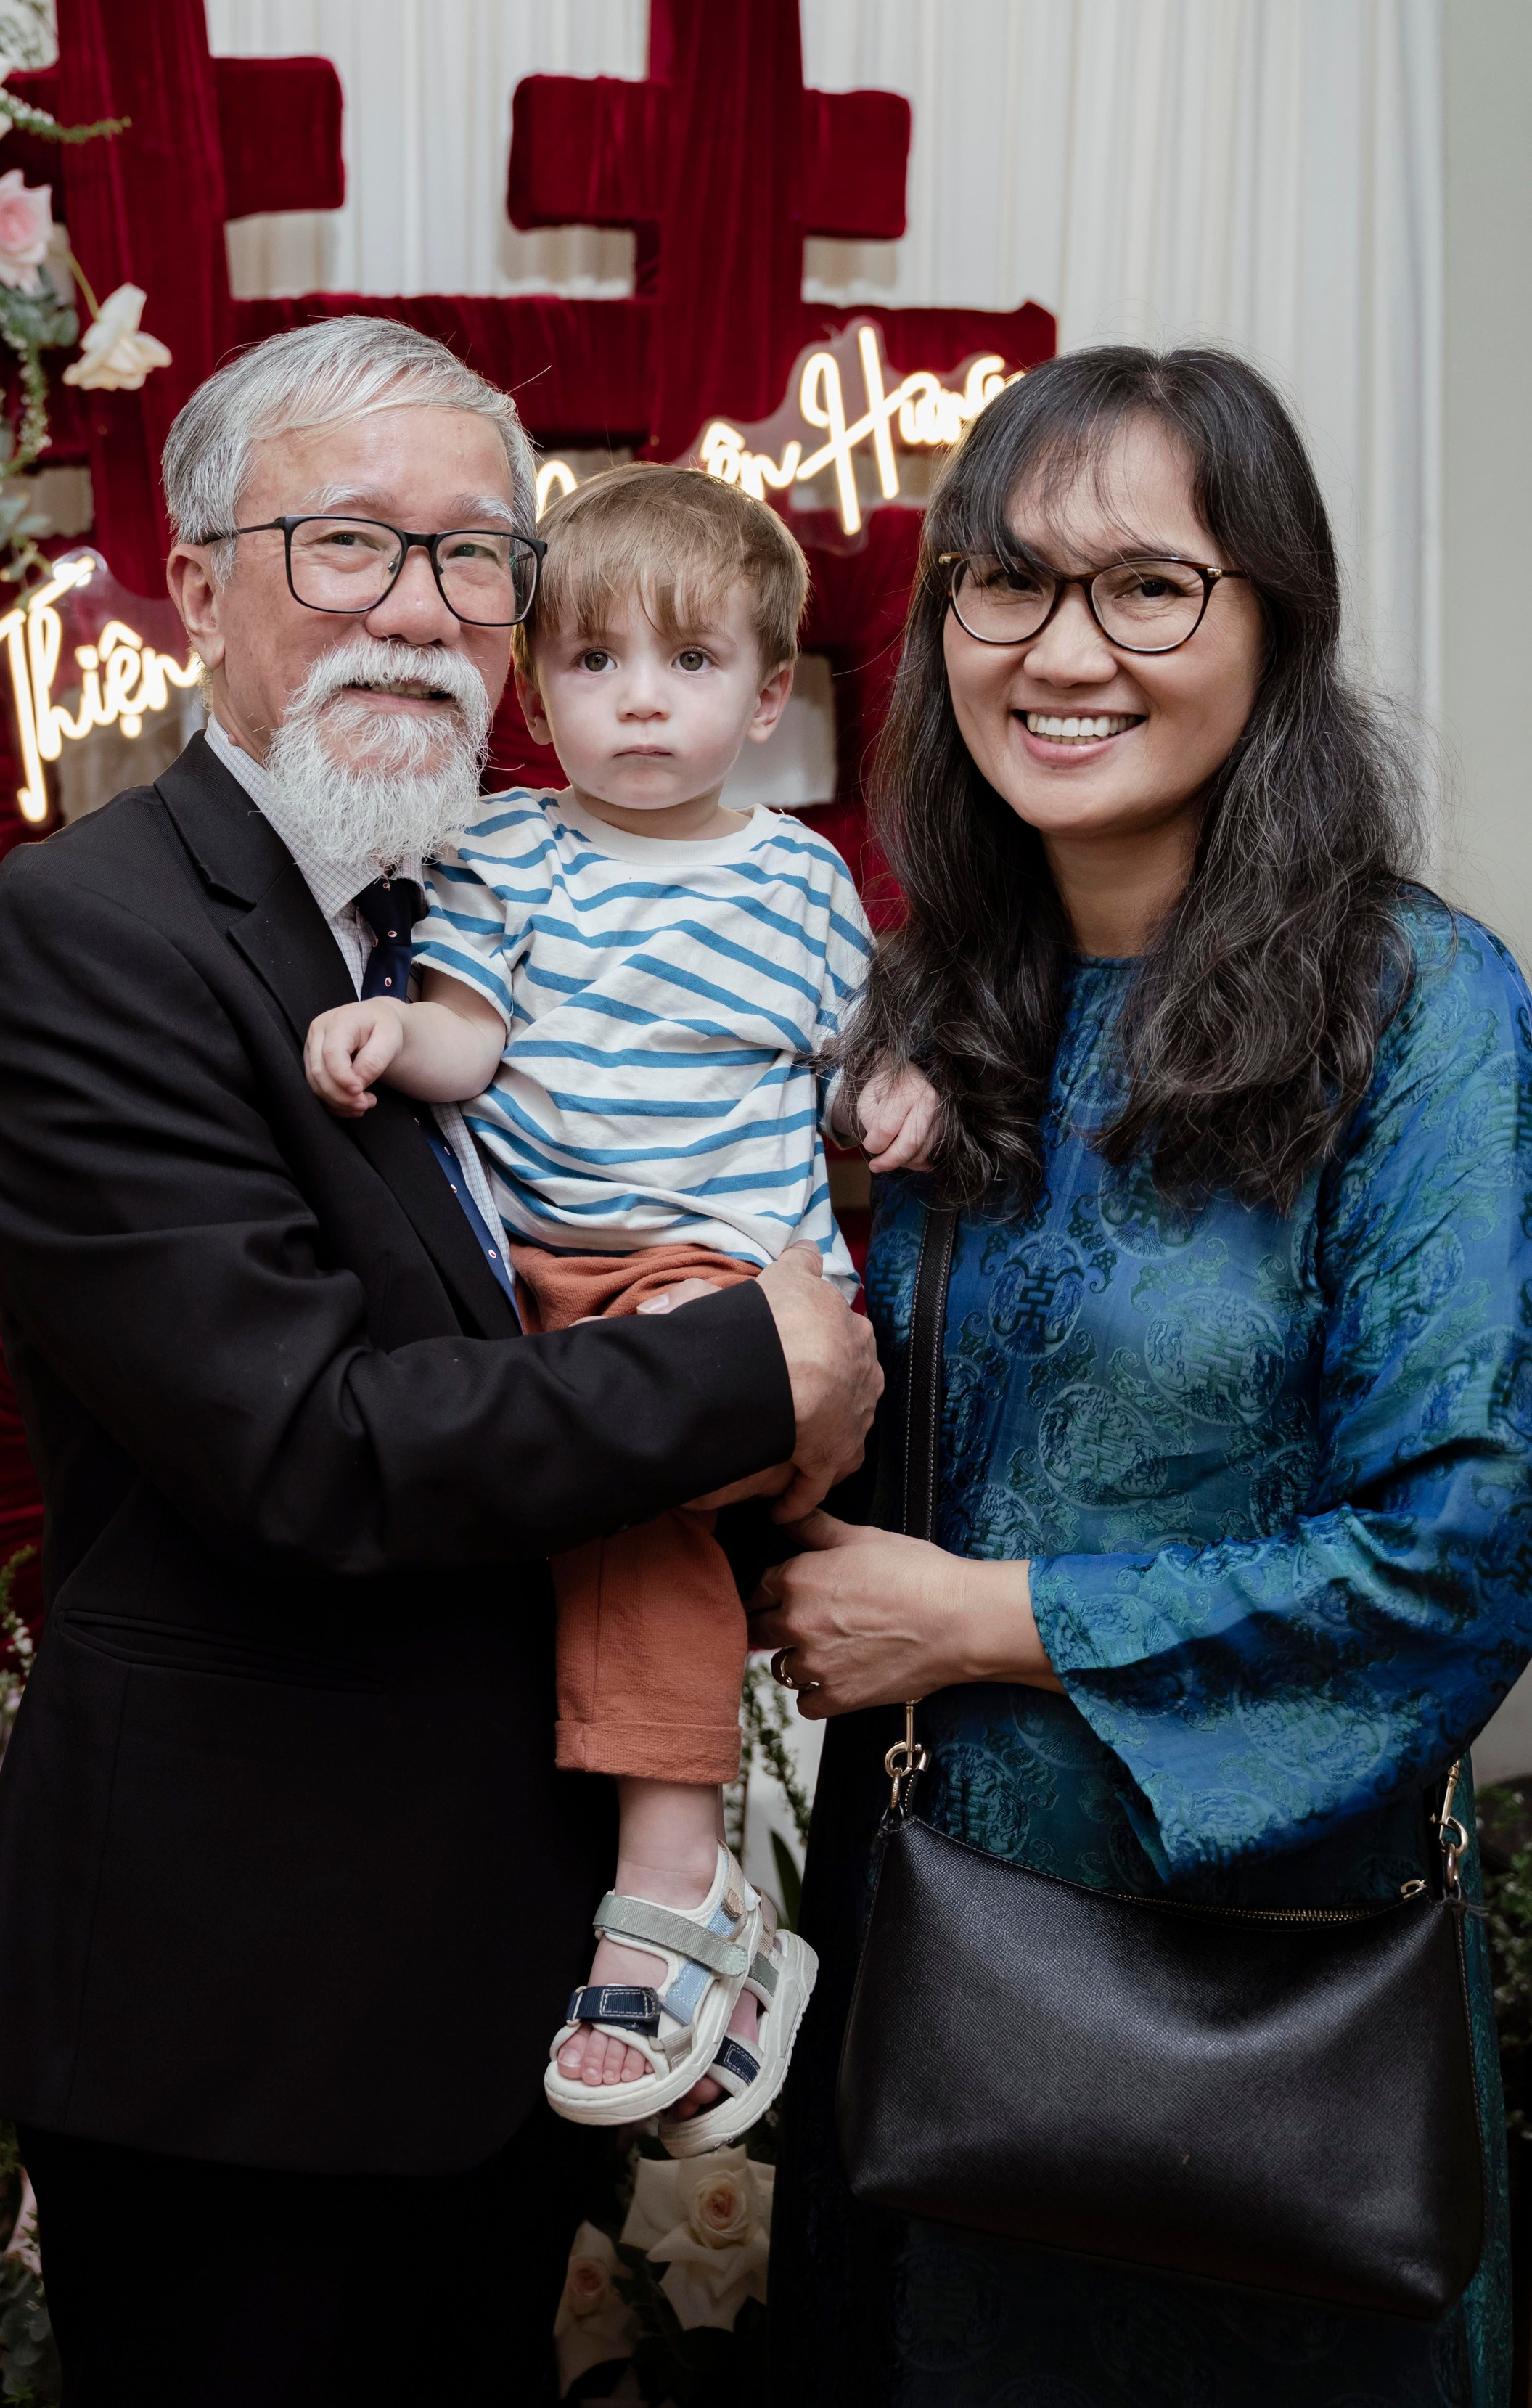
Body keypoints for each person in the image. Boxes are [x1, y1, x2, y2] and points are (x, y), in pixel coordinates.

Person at [0, 318, 881, 2407]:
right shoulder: (89, 931)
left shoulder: (493, 899)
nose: (421, 608)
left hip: (493, 1990)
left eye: (473, 560)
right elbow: (304, 1439)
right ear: (197, 585)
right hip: (236, 2008)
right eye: (350, 542)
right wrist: (755, 1362)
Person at [751, 346, 1532, 2407]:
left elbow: (1465, 1541)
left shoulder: (1416, 1002)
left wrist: (982, 1619)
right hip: (924, 1967)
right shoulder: (915, 1012)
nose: (1059, 650)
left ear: (1273, 622)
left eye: (1146, 587)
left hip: (1258, 2010)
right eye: (1001, 584)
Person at [302, 464, 933, 2150]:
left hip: (712, 1268)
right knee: (550, 1485)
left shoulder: (795, 884)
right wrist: (387, 1038)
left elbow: (859, 1058)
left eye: (688, 661)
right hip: (534, 1271)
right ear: (532, 689)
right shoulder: (506, 848)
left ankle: (673, 1874)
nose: (637, 697)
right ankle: (675, 1912)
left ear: (767, 692)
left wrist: (900, 1097)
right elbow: (471, 1038)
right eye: (589, 663)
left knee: (637, 1477)